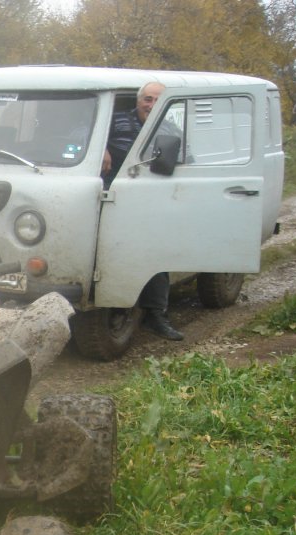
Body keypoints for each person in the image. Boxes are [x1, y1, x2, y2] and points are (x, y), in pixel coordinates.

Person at [102, 82, 184, 341]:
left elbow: (186, 160)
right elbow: (80, 133)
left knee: (155, 256)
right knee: (110, 254)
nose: (151, 105)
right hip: (112, 197)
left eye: (157, 100)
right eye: (147, 99)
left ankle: (156, 315)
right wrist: (102, 149)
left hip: (152, 202)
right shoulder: (113, 120)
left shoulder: (171, 130)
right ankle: (113, 309)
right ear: (138, 101)